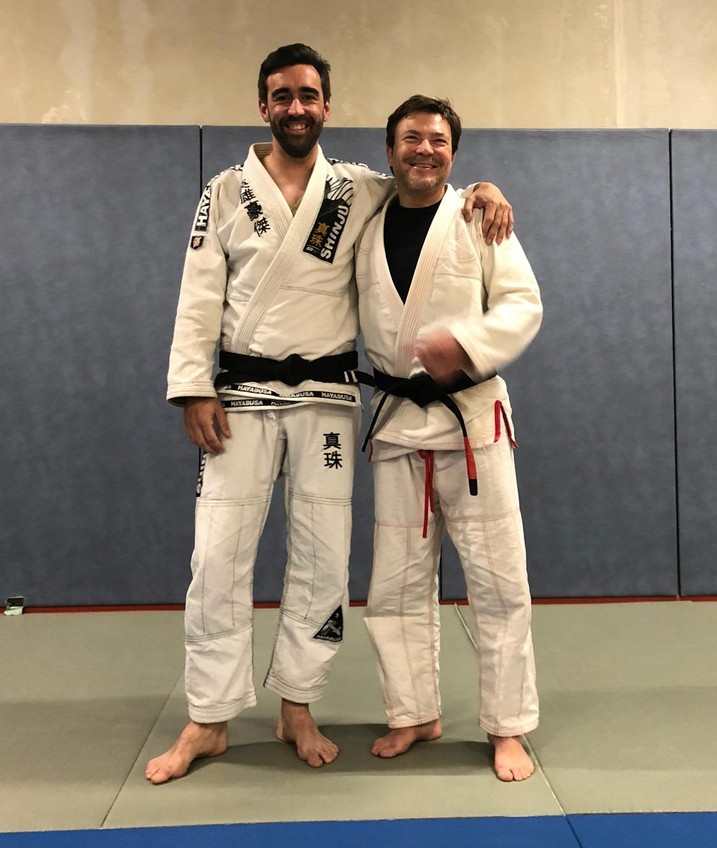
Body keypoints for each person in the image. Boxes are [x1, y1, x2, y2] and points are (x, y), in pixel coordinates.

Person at [145, 46, 514, 784]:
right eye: (282, 96)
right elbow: (198, 292)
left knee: (321, 560)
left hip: (328, 400)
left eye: (309, 96)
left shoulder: (355, 187)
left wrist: (483, 186)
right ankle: (209, 716)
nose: (296, 107)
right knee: (217, 555)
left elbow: (425, 182)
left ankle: (297, 705)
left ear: (326, 106)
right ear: (263, 106)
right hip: (240, 398)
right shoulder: (223, 191)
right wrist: (192, 385)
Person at [357, 95, 542, 782]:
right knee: (395, 584)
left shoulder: (477, 217)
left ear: (454, 154)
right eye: (411, 138)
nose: (424, 150)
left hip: (472, 424)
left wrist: (465, 344)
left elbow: (523, 304)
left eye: (438, 140)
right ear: (389, 150)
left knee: (499, 582)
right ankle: (414, 713)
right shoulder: (365, 219)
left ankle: (508, 727)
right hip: (400, 426)